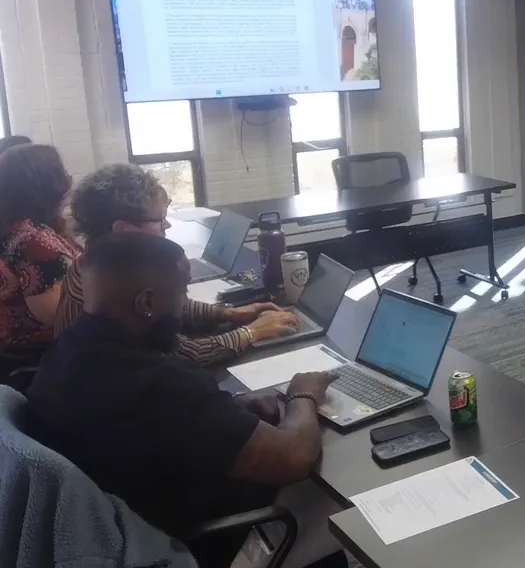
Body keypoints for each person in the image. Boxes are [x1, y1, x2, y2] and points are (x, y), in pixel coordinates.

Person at [25, 232, 340, 568]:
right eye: (181, 291)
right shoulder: (156, 383)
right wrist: (302, 395)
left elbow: (145, 426)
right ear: (147, 303)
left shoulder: (68, 350)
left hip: (115, 510)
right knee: (322, 488)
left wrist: (230, 411)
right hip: (179, 536)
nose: (183, 304)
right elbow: (292, 458)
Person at [59, 164, 296, 365]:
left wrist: (226, 313)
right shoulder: (107, 289)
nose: (167, 226)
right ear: (122, 230)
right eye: (159, 220)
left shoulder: (103, 267)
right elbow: (185, 354)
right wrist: (253, 331)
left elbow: (168, 304)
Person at [0, 144, 78, 359]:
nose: (69, 180)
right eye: (62, 173)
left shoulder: (13, 229)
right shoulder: (34, 241)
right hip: (39, 359)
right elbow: (56, 315)